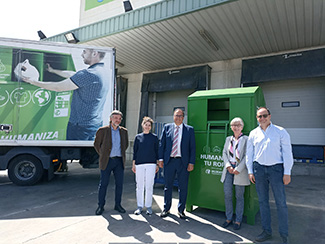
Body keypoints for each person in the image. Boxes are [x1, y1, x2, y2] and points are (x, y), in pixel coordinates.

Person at [23, 48, 110, 140]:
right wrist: (52, 70)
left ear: (94, 53)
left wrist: (33, 82)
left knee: (75, 154)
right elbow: (73, 75)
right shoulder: (102, 72)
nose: (82, 55)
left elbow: (58, 87)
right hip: (95, 125)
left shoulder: (89, 74)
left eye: (84, 52)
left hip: (80, 128)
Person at [246, 107, 293, 244]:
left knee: (281, 203)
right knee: (262, 202)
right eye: (259, 116)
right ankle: (266, 231)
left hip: (276, 170)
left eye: (264, 116)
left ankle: (284, 234)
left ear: (270, 116)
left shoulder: (280, 132)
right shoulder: (253, 133)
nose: (262, 118)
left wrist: (287, 172)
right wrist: (250, 171)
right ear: (257, 118)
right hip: (259, 170)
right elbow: (249, 154)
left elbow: (287, 153)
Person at [158, 108, 196, 219]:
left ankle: (181, 210)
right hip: (169, 161)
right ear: (173, 116)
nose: (178, 117)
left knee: (183, 187)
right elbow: (162, 144)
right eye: (176, 115)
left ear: (183, 117)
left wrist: (191, 162)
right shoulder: (167, 128)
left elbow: (192, 148)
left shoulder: (189, 130)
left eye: (180, 116)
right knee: (167, 186)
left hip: (183, 162)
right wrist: (160, 159)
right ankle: (166, 208)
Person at [93, 110, 129, 215]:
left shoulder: (124, 131)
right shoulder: (102, 130)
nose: (117, 120)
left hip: (119, 161)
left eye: (119, 119)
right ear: (111, 119)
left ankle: (118, 205)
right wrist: (103, 154)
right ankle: (100, 206)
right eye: (115, 118)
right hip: (107, 161)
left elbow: (125, 145)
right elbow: (96, 144)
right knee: (103, 184)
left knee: (119, 185)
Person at [220, 117, 250, 230]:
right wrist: (228, 165)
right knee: (227, 194)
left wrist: (239, 168)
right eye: (233, 125)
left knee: (239, 196)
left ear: (242, 127)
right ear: (231, 127)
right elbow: (224, 153)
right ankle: (228, 218)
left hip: (240, 171)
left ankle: (238, 220)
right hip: (228, 169)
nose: (236, 127)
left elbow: (247, 155)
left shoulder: (246, 139)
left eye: (238, 125)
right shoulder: (228, 139)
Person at [132, 116, 159, 215]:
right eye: (145, 124)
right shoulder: (138, 137)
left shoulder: (154, 138)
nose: (147, 126)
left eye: (149, 125)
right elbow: (135, 152)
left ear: (151, 127)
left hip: (151, 164)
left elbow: (157, 151)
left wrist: (156, 164)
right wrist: (134, 164)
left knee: (149, 186)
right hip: (139, 164)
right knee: (139, 186)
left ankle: (148, 206)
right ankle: (139, 206)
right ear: (142, 125)